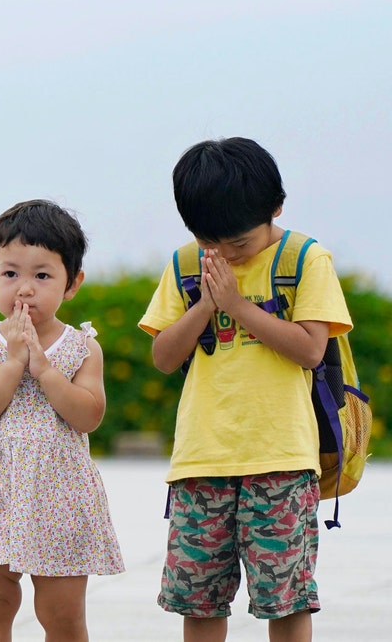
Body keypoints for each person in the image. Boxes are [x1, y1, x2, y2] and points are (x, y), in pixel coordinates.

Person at [138, 137, 352, 642]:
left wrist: (237, 305)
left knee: (286, 599)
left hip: (280, 459)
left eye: (238, 244)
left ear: (276, 207)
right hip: (200, 461)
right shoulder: (189, 263)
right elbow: (164, 358)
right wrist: (206, 305)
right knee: (199, 599)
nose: (227, 254)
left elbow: (310, 351)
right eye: (213, 241)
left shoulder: (305, 258)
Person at [0, 199, 124, 642]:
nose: (24, 289)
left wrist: (44, 370)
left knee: (61, 616)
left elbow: (89, 416)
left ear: (72, 284)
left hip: (58, 497)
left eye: (42, 276)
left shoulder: (81, 347)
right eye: (10, 274)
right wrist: (12, 363)